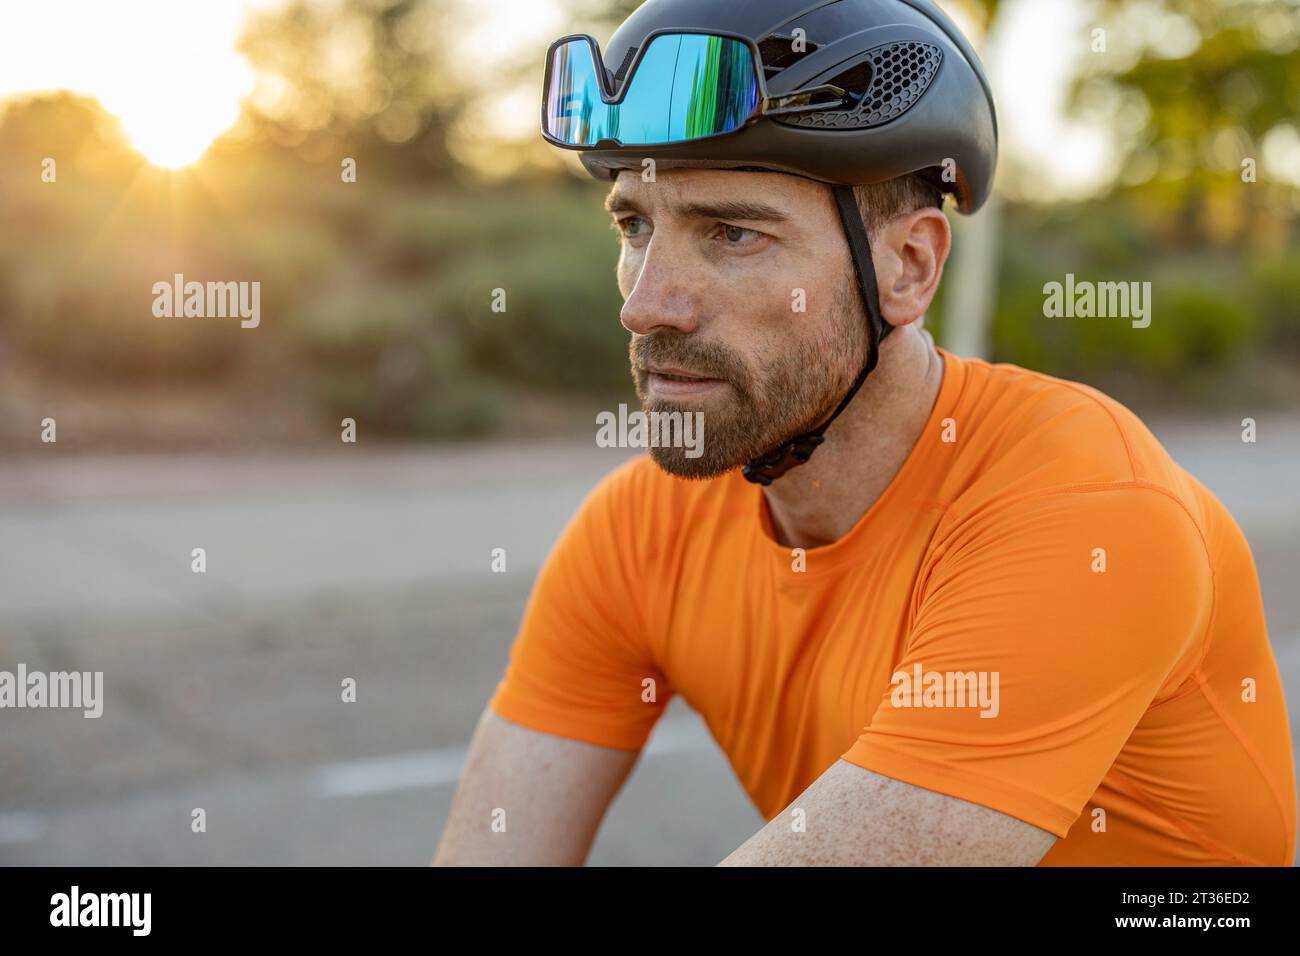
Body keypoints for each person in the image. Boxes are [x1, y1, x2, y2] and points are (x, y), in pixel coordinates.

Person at [433, 0, 1296, 866]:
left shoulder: (1087, 512)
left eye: (732, 233)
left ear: (908, 267)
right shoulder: (638, 532)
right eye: (635, 226)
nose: (644, 304)